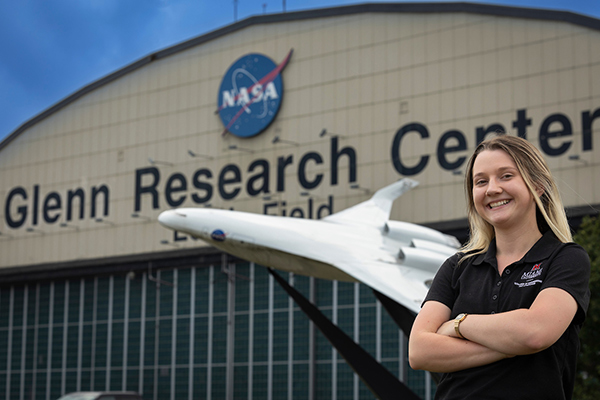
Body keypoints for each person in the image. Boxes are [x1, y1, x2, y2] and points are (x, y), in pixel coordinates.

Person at [408, 134, 590, 399]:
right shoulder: (457, 267)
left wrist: (459, 325)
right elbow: (419, 351)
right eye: (481, 181)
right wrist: (511, 343)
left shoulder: (566, 259)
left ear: (537, 185)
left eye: (506, 176)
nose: (492, 189)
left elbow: (535, 333)